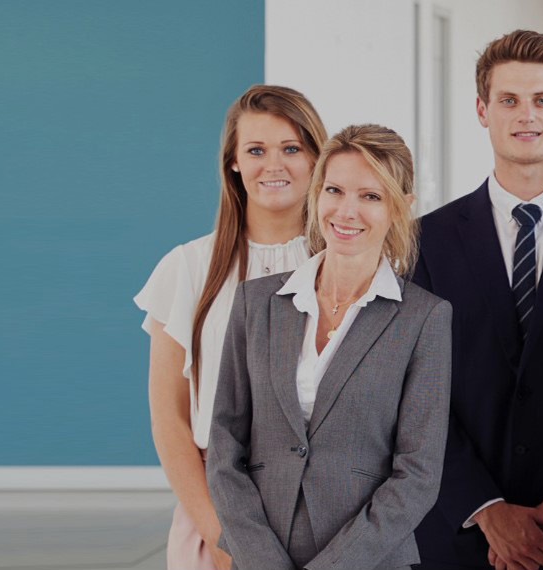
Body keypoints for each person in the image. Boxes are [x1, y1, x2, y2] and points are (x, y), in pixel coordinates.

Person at [207, 124, 451, 569]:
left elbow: (417, 474)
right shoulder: (255, 302)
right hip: (262, 556)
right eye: (334, 190)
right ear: (316, 194)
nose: (346, 210)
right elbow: (224, 447)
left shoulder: (425, 318)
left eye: (371, 196)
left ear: (401, 209)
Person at [412, 30, 543, 570]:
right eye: (509, 101)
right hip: (459, 532)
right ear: (482, 110)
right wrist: (485, 508)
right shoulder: (425, 241)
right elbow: (416, 394)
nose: (527, 115)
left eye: (542, 100)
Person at [136, 84, 326, 569]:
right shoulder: (187, 268)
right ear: (234, 163)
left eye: (291, 148)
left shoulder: (350, 267)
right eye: (256, 150)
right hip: (215, 514)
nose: (274, 165)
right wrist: (219, 534)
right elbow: (170, 421)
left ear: (315, 158)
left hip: (328, 516)